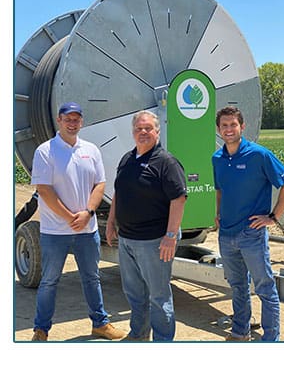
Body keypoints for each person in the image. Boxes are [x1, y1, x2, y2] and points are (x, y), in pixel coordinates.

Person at [30, 102, 127, 341]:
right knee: (50, 281)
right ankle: (41, 330)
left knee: (92, 277)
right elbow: (43, 189)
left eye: (76, 119)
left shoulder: (91, 150)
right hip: (54, 231)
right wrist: (69, 217)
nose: (72, 123)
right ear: (59, 120)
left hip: (87, 228)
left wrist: (88, 213)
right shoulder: (45, 151)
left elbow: (100, 184)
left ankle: (100, 324)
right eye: (68, 119)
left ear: (81, 121)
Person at [212, 106, 284, 342]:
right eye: (224, 125)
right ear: (219, 129)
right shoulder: (217, 158)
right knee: (237, 287)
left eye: (233, 125)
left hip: (251, 234)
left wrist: (273, 217)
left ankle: (270, 339)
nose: (229, 129)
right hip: (226, 234)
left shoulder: (259, 155)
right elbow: (220, 189)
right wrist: (218, 214)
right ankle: (240, 332)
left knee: (265, 288)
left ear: (242, 127)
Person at [106, 110, 187, 341]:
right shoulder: (127, 159)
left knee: (159, 297)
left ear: (157, 132)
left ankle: (162, 341)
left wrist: (171, 236)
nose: (143, 132)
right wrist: (111, 223)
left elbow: (178, 199)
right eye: (139, 129)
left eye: (148, 128)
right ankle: (138, 335)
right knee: (134, 293)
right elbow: (118, 193)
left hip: (154, 241)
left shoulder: (166, 162)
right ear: (133, 133)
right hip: (127, 239)